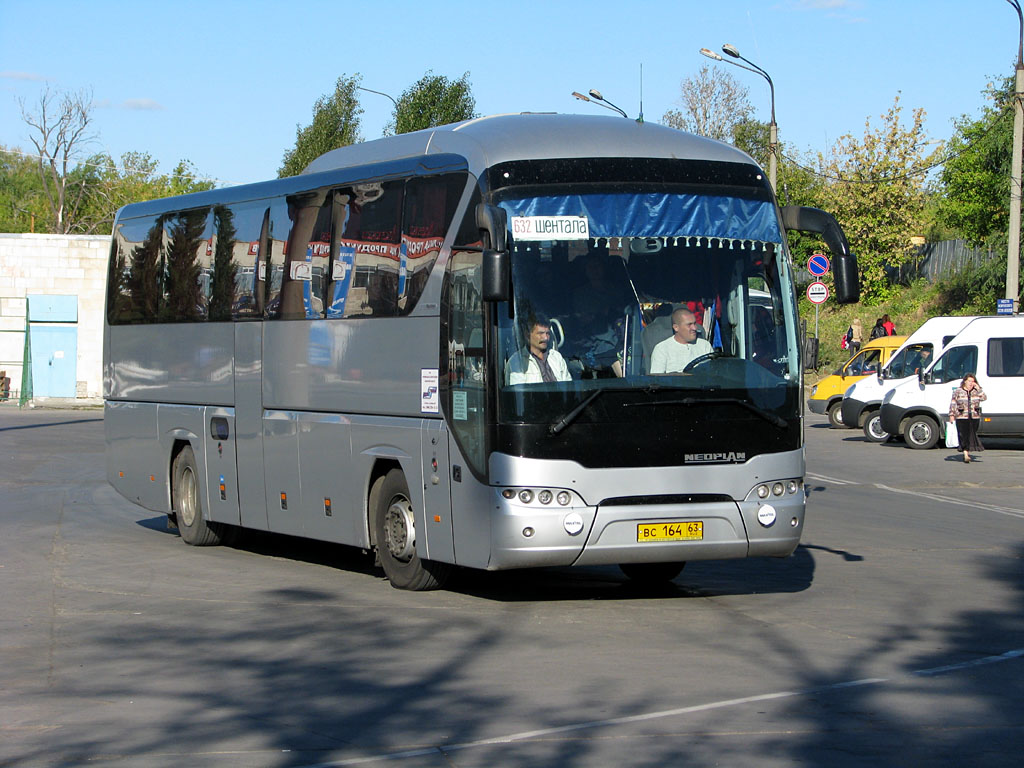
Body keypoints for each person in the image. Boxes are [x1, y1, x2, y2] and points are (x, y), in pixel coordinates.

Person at [505, 314, 572, 384]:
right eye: (540, 333)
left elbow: (568, 386)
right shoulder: (517, 362)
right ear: (527, 335)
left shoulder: (556, 357)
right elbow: (518, 392)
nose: (545, 338)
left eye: (547, 333)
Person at [650, 307, 714, 373]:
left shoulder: (705, 345)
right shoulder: (662, 349)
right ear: (676, 327)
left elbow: (714, 373)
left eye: (694, 323)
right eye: (689, 325)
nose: (694, 328)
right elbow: (656, 380)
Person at [948, 373, 986, 463]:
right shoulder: (958, 391)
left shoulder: (976, 391)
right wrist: (951, 415)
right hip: (962, 416)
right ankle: (966, 454)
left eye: (973, 381)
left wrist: (978, 388)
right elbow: (953, 403)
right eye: (969, 381)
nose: (971, 383)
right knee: (963, 435)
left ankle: (968, 450)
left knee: (971, 434)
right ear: (965, 381)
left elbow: (984, 398)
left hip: (974, 416)